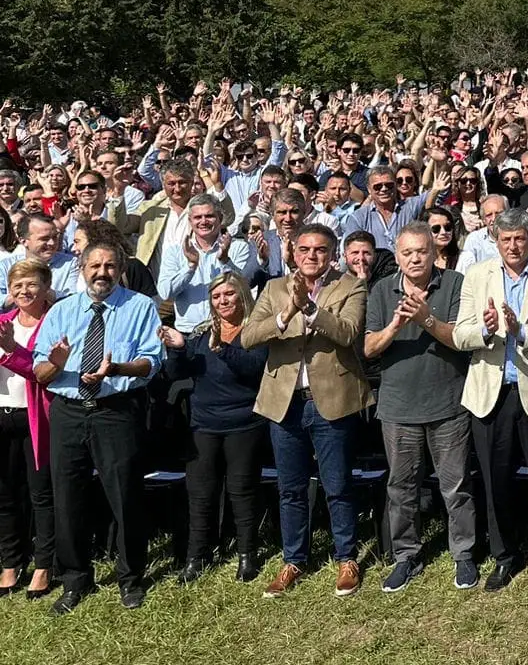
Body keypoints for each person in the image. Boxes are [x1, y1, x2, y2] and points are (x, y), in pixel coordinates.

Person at [32, 238, 162, 613]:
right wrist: (56, 363)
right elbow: (41, 373)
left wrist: (117, 368)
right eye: (95, 266)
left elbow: (152, 363)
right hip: (69, 411)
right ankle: (75, 579)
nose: (102, 273)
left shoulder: (140, 307)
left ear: (119, 270)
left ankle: (130, 577)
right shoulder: (61, 311)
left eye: (109, 266)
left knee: (124, 494)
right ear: (82, 270)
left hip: (115, 410)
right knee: (67, 496)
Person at [241, 222, 371, 598]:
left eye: (320, 250)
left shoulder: (351, 285)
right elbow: (249, 336)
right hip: (285, 404)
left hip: (330, 400)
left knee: (338, 485)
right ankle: (293, 559)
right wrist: (285, 314)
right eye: (304, 250)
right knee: (290, 488)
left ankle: (346, 557)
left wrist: (310, 308)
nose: (311, 256)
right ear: (293, 253)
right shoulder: (273, 288)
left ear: (332, 255)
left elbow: (348, 334)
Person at [453, 204, 528, 592]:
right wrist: (487, 332)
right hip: (491, 391)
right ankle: (505, 555)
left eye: (520, 238)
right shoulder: (476, 275)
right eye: (506, 240)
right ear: (496, 241)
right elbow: (460, 335)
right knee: (495, 478)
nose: (513, 246)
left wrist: (520, 330)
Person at [363, 222, 476, 593]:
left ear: (434, 252)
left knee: (455, 486)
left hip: (448, 403)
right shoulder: (382, 290)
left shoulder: (455, 283)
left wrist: (426, 318)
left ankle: (463, 554)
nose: (414, 258)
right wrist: (396, 324)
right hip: (398, 407)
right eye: (407, 252)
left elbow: (460, 340)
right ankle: (405, 556)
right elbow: (368, 349)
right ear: (397, 255)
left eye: (421, 251)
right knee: (401, 486)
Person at [157, 270, 268, 583]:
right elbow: (178, 373)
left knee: (242, 490)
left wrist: (224, 349)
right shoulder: (202, 334)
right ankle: (197, 555)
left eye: (229, 294)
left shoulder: (256, 331)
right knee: (201, 492)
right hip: (204, 424)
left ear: (243, 296)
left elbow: (253, 368)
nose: (223, 301)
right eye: (216, 296)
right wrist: (177, 348)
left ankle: (248, 554)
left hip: (244, 422)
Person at [0, 260, 54, 599]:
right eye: (17, 285)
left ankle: (44, 564)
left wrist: (11, 351)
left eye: (31, 284)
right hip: (2, 415)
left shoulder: (54, 322)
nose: (24, 291)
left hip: (37, 418)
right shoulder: (2, 322)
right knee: (4, 494)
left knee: (41, 494)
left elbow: (43, 371)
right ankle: (10, 561)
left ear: (45, 287)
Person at [156, 192, 254, 331]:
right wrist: (190, 267)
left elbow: (244, 288)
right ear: (190, 221)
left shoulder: (238, 247)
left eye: (209, 216)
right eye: (197, 217)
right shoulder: (175, 252)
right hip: (189, 332)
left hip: (229, 329)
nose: (203, 221)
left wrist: (225, 260)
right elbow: (166, 293)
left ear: (220, 218)